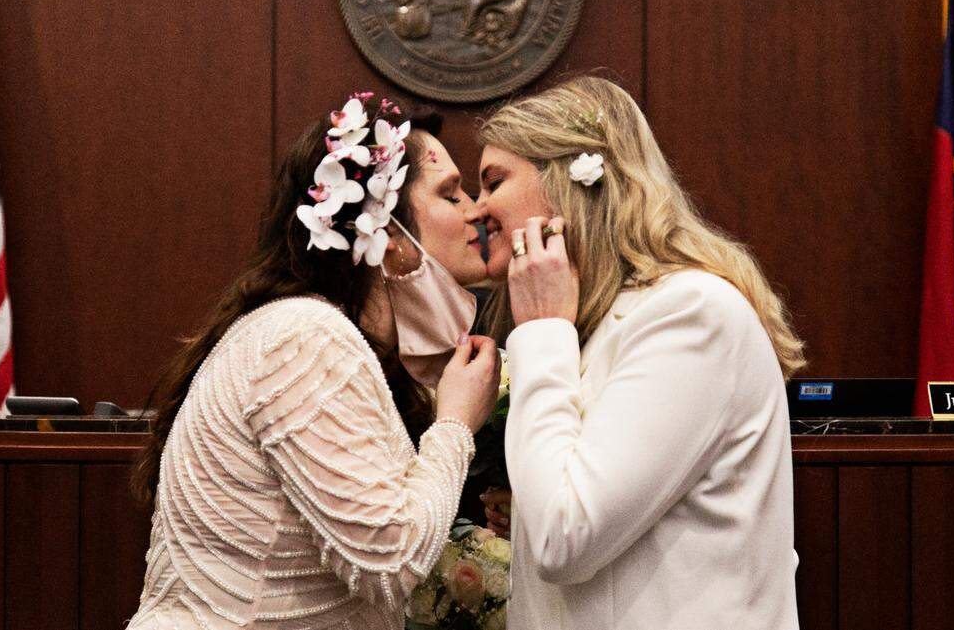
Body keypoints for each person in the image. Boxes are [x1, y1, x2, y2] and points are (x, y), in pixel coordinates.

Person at [126, 94, 500, 630]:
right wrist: (457, 424)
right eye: (451, 193)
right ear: (389, 235)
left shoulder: (316, 332)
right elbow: (390, 559)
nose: (476, 212)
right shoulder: (306, 337)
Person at [476, 76, 806, 629]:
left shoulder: (690, 314)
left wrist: (541, 330)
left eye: (494, 181)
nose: (477, 208)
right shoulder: (600, 324)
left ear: (566, 180)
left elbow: (565, 538)